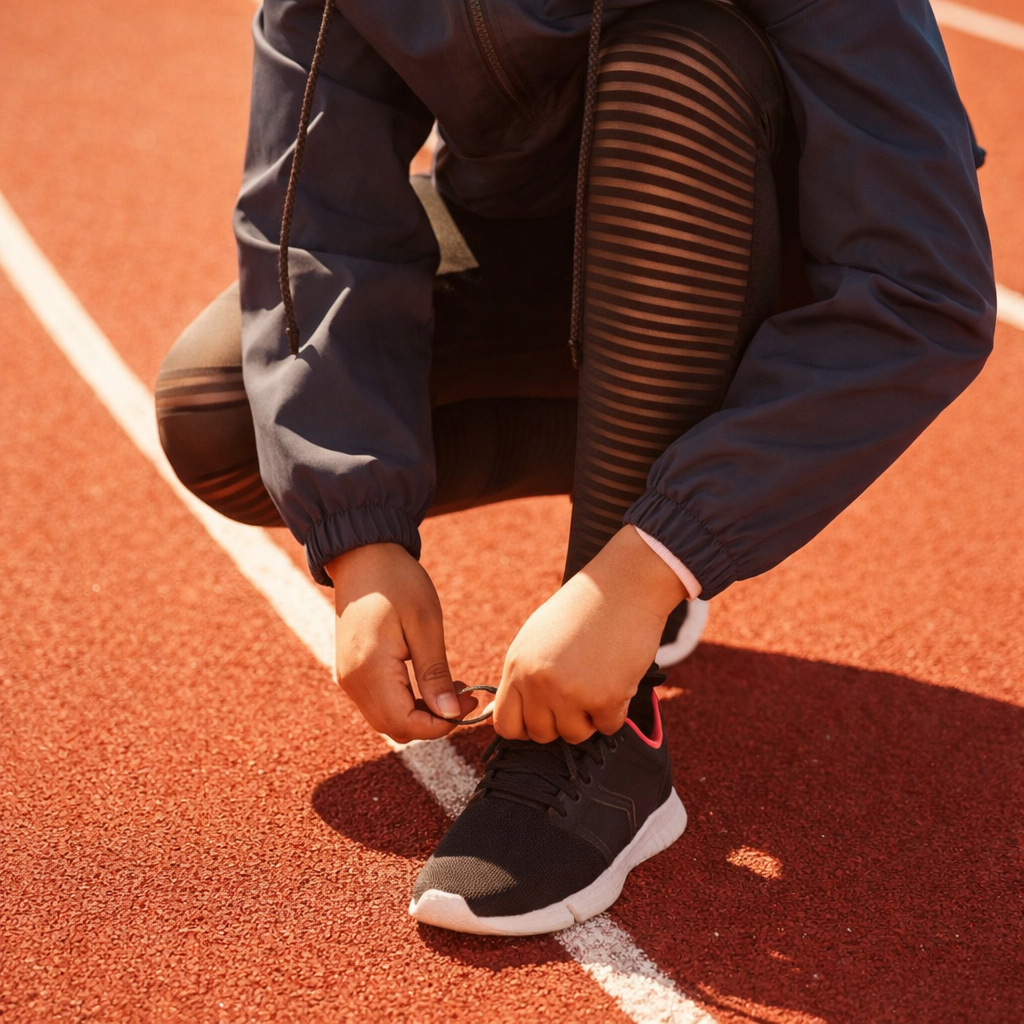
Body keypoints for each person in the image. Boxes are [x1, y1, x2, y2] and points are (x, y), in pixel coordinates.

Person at [156, 0, 994, 935]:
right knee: (220, 412)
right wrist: (362, 537)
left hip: (749, 254)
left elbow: (921, 286)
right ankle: (654, 483)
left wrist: (645, 572)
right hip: (532, 241)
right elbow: (314, 223)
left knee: (679, 60)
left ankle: (610, 733)